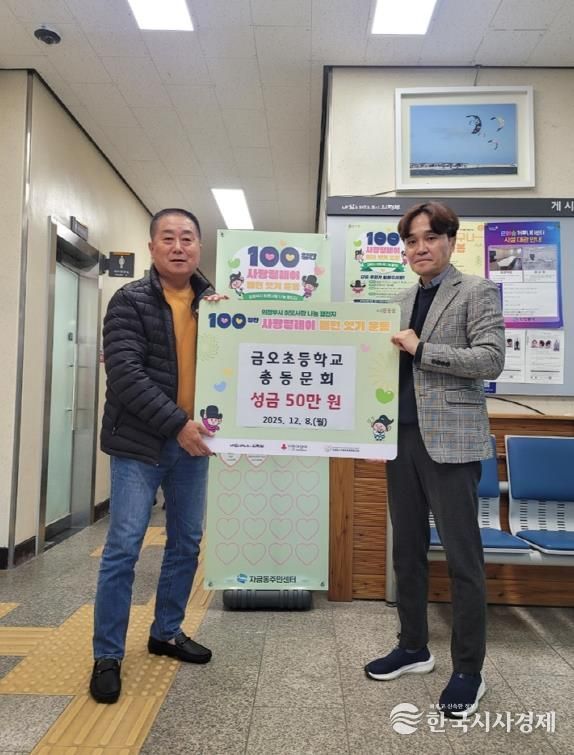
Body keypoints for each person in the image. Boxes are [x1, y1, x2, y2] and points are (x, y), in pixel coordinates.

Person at [364, 202, 505, 718]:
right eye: (411, 241)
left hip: (452, 442)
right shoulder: (398, 301)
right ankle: (413, 647)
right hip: (399, 440)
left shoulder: (476, 291)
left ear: (450, 240)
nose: (419, 248)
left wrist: (423, 350)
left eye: (429, 237)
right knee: (406, 551)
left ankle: (469, 669)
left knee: (463, 559)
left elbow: (491, 359)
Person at [90, 208, 223, 704]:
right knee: (124, 548)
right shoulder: (130, 300)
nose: (178, 246)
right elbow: (126, 375)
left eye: (187, 238)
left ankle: (166, 632)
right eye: (168, 238)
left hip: (193, 442)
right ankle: (107, 654)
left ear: (199, 248)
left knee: (186, 542)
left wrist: (235, 322)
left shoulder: (214, 305)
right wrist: (177, 425)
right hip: (141, 444)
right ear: (152, 248)